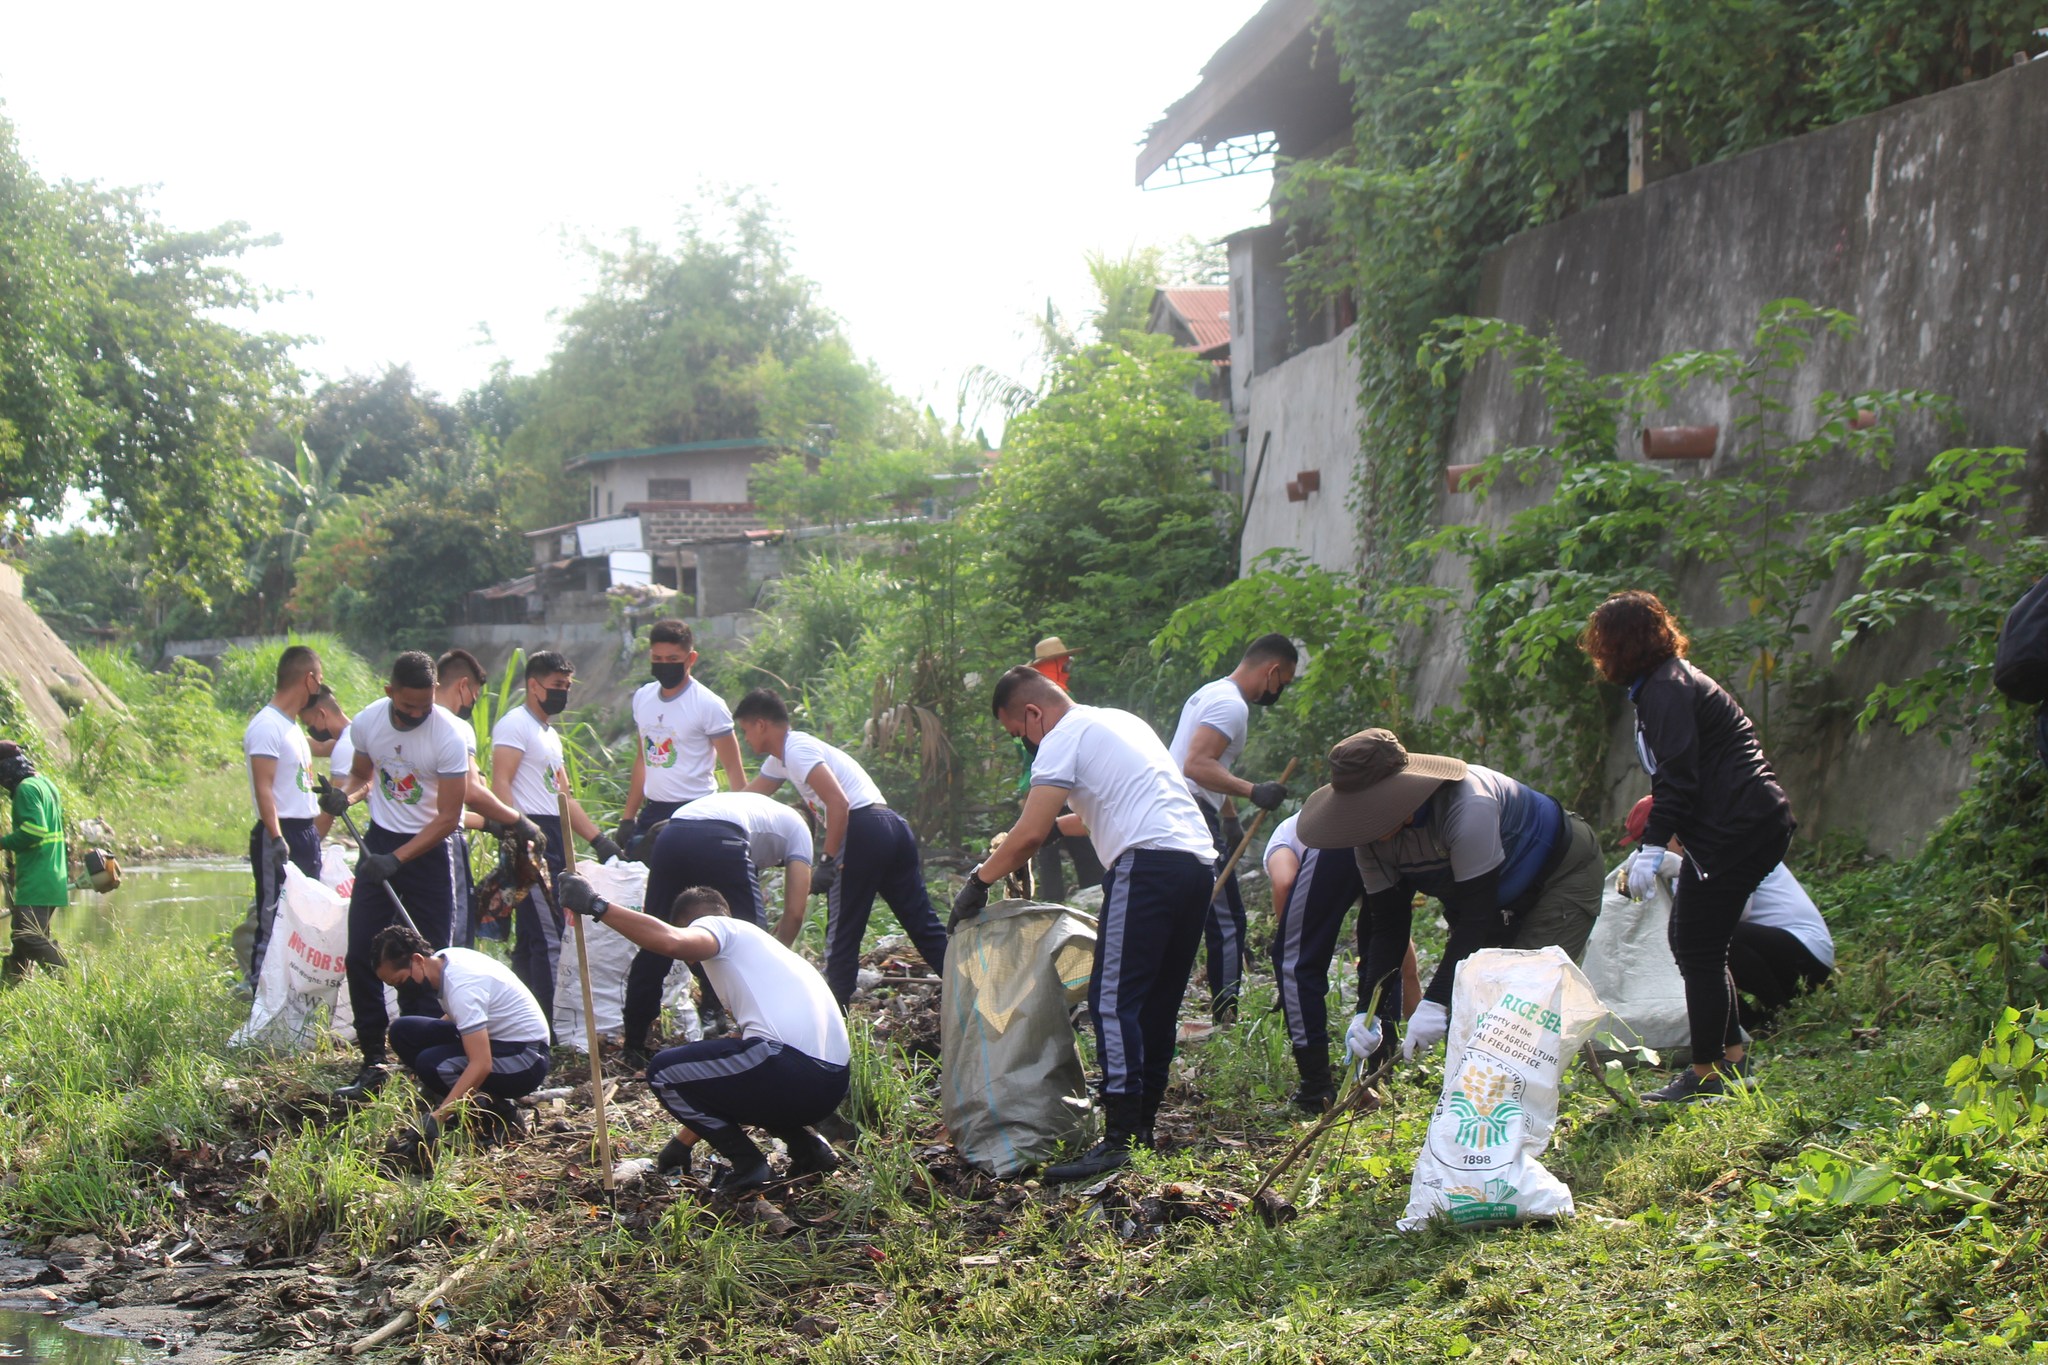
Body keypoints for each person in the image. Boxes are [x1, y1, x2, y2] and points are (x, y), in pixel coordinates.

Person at [957, 667, 1216, 1180]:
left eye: (1020, 734)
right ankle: (1140, 1128)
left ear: (1033, 713)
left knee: (1113, 1002)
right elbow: (1097, 808)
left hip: (1145, 865)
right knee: (1157, 1005)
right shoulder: (1120, 722)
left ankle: (1118, 1139)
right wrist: (1051, 829)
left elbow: (1027, 834)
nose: (1026, 745)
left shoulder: (1061, 735)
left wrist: (979, 880)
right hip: (1195, 864)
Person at [1583, 590, 1797, 1103]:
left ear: (1618, 645)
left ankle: (1706, 1073)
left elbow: (1678, 777)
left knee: (1696, 945)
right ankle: (1730, 1062)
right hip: (1743, 822)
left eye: (1600, 645)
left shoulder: (1667, 688)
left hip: (1739, 825)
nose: (1597, 656)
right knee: (1699, 943)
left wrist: (1653, 848)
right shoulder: (1664, 683)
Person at [1297, 728, 1605, 1061]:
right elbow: (1388, 924)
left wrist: (1434, 1001)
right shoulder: (1370, 841)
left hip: (1558, 875)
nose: (1362, 820)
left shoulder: (1468, 804)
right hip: (1492, 899)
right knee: (1478, 1007)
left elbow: (1477, 916)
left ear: (1397, 795)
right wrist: (1367, 1012)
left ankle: (1525, 1098)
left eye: (1367, 808)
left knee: (1523, 1008)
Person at [322, 652, 538, 1101]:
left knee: (425, 962)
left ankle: (421, 1065)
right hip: (381, 842)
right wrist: (346, 797)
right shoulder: (367, 722)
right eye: (408, 708)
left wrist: (397, 859)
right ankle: (372, 1062)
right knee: (363, 951)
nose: (417, 715)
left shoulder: (449, 734)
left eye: (424, 707)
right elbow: (364, 776)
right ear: (389, 693)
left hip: (428, 853)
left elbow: (448, 818)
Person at [556, 879, 848, 1191]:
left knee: (663, 1072)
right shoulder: (763, 952)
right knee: (733, 1064)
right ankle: (810, 1148)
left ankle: (749, 1164)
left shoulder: (719, 927)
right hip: (829, 1085)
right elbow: (728, 1079)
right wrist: (682, 1143)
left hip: (793, 1070)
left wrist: (597, 906)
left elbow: (672, 942)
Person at [737, 688, 947, 1008]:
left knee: (841, 938)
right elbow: (747, 800)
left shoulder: (797, 749)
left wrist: (826, 860)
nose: (746, 738)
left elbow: (839, 802)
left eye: (746, 730)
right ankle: (976, 993)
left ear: (761, 724)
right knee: (924, 927)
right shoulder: (782, 759)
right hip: (891, 825)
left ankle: (834, 1026)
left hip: (862, 829)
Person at [620, 789, 815, 1057]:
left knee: (657, 939)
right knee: (747, 945)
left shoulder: (759, 809)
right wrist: (776, 959)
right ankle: (740, 1029)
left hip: (672, 833)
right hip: (722, 838)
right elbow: (794, 912)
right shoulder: (800, 829)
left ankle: (633, 1044)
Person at [1167, 634, 1299, 1021]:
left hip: (1183, 811)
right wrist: (1253, 791)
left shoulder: (1211, 693)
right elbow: (1197, 764)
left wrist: (1229, 817)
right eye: (1284, 682)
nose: (1279, 691)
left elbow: (1209, 764)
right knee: (1226, 919)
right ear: (1272, 671)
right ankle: (1226, 1016)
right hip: (1190, 815)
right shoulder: (1231, 706)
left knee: (1196, 913)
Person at [489, 650, 621, 1030]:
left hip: (554, 837)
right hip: (528, 839)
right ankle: (548, 1027)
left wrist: (599, 840)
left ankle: (522, 1019)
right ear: (533, 685)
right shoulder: (515, 725)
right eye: (556, 686)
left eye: (566, 686)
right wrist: (519, 836)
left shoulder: (550, 735)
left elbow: (563, 797)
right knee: (547, 935)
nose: (563, 693)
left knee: (538, 934)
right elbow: (501, 784)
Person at [1621, 795, 1832, 1034]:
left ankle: (1779, 1012)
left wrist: (1682, 871)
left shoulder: (1724, 843)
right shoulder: (1688, 862)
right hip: (1771, 955)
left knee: (1709, 936)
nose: (1650, 852)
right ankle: (1751, 1024)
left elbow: (1735, 912)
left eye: (1651, 843)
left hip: (1807, 955)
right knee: (1687, 941)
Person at [1263, 812, 1424, 1110]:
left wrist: (1290, 947)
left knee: (1298, 966)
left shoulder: (1282, 839)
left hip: (1335, 841)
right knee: (1382, 948)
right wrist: (1410, 979)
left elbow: (1284, 883)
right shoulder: (1368, 815)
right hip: (1392, 833)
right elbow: (1394, 939)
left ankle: (1316, 1089)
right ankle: (1377, 1072)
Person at [373, 924, 551, 1151]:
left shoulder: (462, 987)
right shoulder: (441, 961)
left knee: (434, 1064)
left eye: (399, 982)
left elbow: (482, 1063)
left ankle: (497, 1117)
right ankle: (460, 1101)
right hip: (500, 1040)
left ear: (417, 960)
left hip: (525, 1059)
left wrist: (437, 1118)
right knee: (404, 1032)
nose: (401, 989)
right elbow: (460, 1019)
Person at [617, 620, 747, 855]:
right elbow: (642, 759)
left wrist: (745, 823)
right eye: (657, 659)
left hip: (697, 812)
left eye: (673, 660)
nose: (664, 665)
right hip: (653, 811)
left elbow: (733, 767)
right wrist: (628, 818)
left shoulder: (709, 705)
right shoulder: (642, 698)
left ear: (691, 658)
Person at [243, 645, 328, 988]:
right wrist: (276, 837)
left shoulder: (292, 727)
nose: (320, 688)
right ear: (308, 680)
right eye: (320, 681)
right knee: (273, 919)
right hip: (280, 835)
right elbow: (264, 788)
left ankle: (294, 997)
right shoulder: (267, 726)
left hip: (305, 832)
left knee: (305, 921)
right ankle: (257, 995)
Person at [1020, 637, 1103, 901]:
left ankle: (1063, 900)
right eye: (1064, 662)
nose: (1068, 666)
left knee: (1049, 845)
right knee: (1071, 844)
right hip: (1058, 782)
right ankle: (1087, 896)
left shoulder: (1040, 698)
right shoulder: (1052, 700)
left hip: (1044, 782)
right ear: (1053, 665)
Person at [0, 741, 67, 978]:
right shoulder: (45, 784)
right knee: (22, 938)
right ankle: (9, 989)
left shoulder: (26, 790)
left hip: (38, 876)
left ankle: (68, 978)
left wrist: (3, 842)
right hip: (51, 873)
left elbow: (35, 830)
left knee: (28, 936)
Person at [300, 687, 355, 839]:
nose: (310, 729)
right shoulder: (353, 732)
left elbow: (328, 813)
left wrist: (308, 849)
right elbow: (320, 746)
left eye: (308, 723)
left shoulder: (345, 746)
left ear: (322, 714)